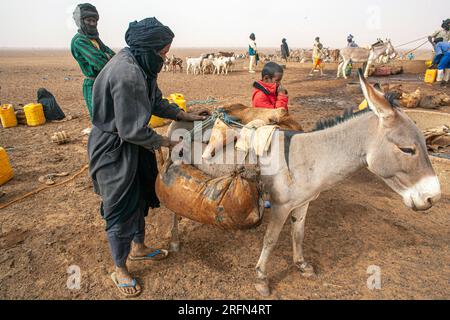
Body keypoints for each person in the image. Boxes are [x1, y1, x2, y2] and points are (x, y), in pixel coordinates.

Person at [88, 17, 208, 297]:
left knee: (141, 196)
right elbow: (130, 130)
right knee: (120, 206)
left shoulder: (142, 65)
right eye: (163, 54)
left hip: (135, 144)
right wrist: (166, 141)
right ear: (148, 49)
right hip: (114, 148)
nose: (165, 59)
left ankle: (139, 248)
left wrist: (183, 114)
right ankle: (119, 268)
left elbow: (154, 101)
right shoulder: (127, 73)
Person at [71, 3, 115, 121]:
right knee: (101, 120)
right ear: (80, 21)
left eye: (94, 21)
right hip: (94, 85)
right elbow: (100, 63)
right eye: (88, 20)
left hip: (106, 82)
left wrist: (107, 56)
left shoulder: (94, 39)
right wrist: (106, 57)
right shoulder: (79, 41)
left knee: (113, 117)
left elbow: (114, 56)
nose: (92, 23)